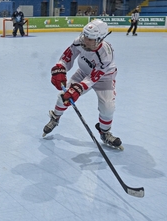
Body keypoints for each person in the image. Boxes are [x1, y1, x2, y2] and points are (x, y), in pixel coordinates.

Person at [42, 19, 122, 149]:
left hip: (104, 79)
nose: (86, 40)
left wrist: (78, 89)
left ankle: (105, 132)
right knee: (63, 96)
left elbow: (94, 77)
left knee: (108, 108)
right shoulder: (79, 41)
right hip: (83, 72)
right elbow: (67, 57)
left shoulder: (106, 55)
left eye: (91, 39)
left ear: (100, 39)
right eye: (85, 36)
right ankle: (55, 118)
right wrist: (60, 68)